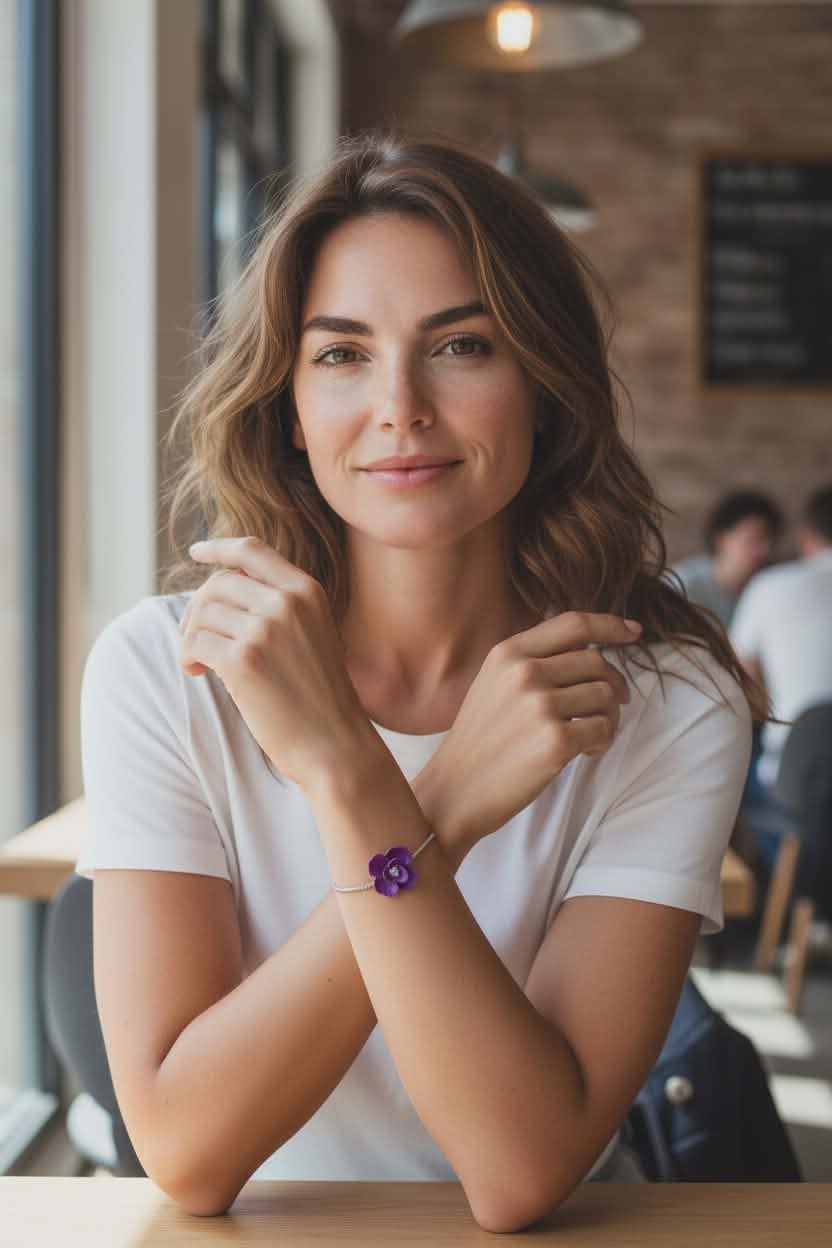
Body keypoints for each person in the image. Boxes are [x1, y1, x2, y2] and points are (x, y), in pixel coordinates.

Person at [75, 132, 760, 1231]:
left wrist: (368, 796)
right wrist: (419, 798)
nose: (400, 406)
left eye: (463, 346)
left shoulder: (664, 701)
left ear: (544, 384)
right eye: (341, 354)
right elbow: (188, 1154)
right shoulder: (170, 668)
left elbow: (519, 1170)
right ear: (288, 406)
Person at [730, 485, 832, 866]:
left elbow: (739, 683)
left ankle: (775, 910)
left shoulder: (770, 586)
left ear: (806, 539)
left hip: (792, 782)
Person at [673, 491, 784, 632]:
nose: (765, 550)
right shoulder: (683, 587)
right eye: (755, 539)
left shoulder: (770, 588)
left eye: (771, 541)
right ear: (721, 538)